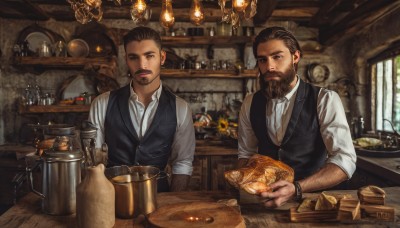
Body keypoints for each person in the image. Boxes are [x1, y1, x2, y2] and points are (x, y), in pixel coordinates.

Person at [238, 26, 357, 207]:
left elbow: (345, 160)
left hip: (312, 204)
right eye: (262, 60)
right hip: (264, 203)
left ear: (295, 57)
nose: (269, 66)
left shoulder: (324, 99)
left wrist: (297, 188)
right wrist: (250, 186)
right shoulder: (250, 103)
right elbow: (245, 154)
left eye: (277, 57)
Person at [88, 26, 195, 192]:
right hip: (113, 197)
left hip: (160, 198)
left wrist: (173, 203)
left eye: (149, 56)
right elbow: (94, 161)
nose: (142, 64)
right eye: (133, 57)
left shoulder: (180, 108)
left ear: (162, 57)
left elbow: (182, 163)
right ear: (126, 60)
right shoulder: (102, 103)